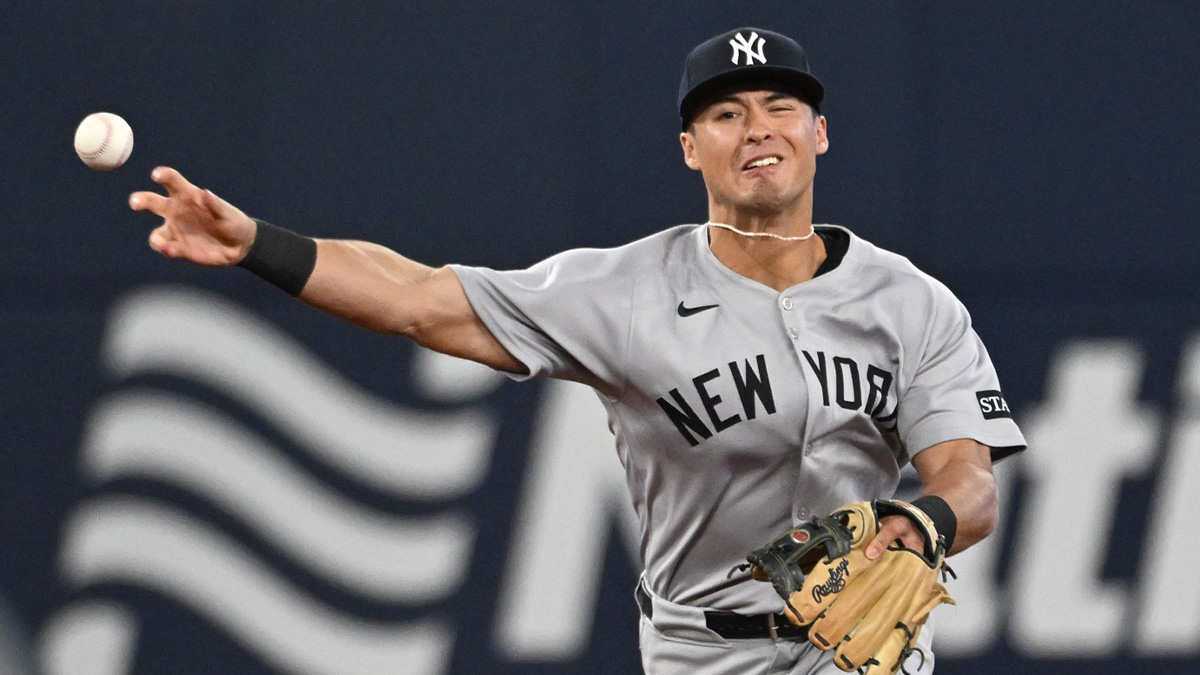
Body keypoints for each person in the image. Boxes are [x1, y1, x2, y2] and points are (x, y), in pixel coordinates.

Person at [129, 26, 1025, 675]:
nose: (757, 128)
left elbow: (968, 477)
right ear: (689, 148)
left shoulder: (911, 301)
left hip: (868, 653)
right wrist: (256, 244)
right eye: (725, 114)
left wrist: (920, 523)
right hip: (702, 651)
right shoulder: (623, 290)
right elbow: (416, 298)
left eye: (780, 106)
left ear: (818, 133)